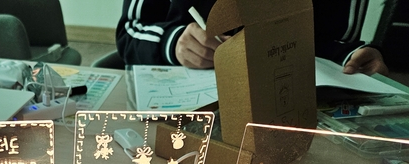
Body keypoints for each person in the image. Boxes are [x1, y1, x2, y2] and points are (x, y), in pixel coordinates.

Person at [117, 0, 388, 75]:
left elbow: (333, 39)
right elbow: (130, 30)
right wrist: (173, 43)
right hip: (187, 105)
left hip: (291, 109)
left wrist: (352, 56)